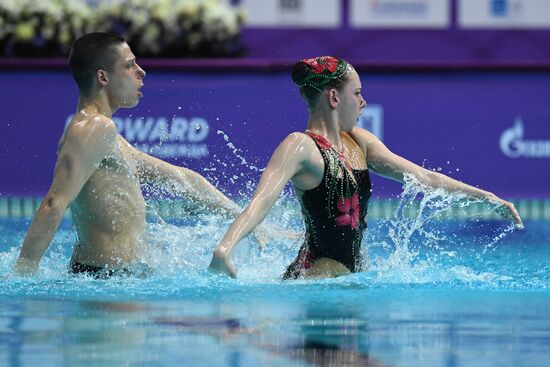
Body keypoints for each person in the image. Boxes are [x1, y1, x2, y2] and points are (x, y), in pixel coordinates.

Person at [208, 56, 523, 279]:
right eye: (356, 93)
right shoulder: (300, 146)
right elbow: (260, 202)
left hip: (349, 279)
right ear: (334, 97)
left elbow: (424, 178)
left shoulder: (359, 142)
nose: (363, 102)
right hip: (318, 280)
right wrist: (225, 249)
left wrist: (486, 196)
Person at [13, 32, 245, 277]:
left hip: (121, 274)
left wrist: (246, 220)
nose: (141, 71)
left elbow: (182, 178)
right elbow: (53, 203)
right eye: (129, 65)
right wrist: (24, 275)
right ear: (102, 77)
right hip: (105, 277)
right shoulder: (93, 128)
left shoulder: (109, 135)